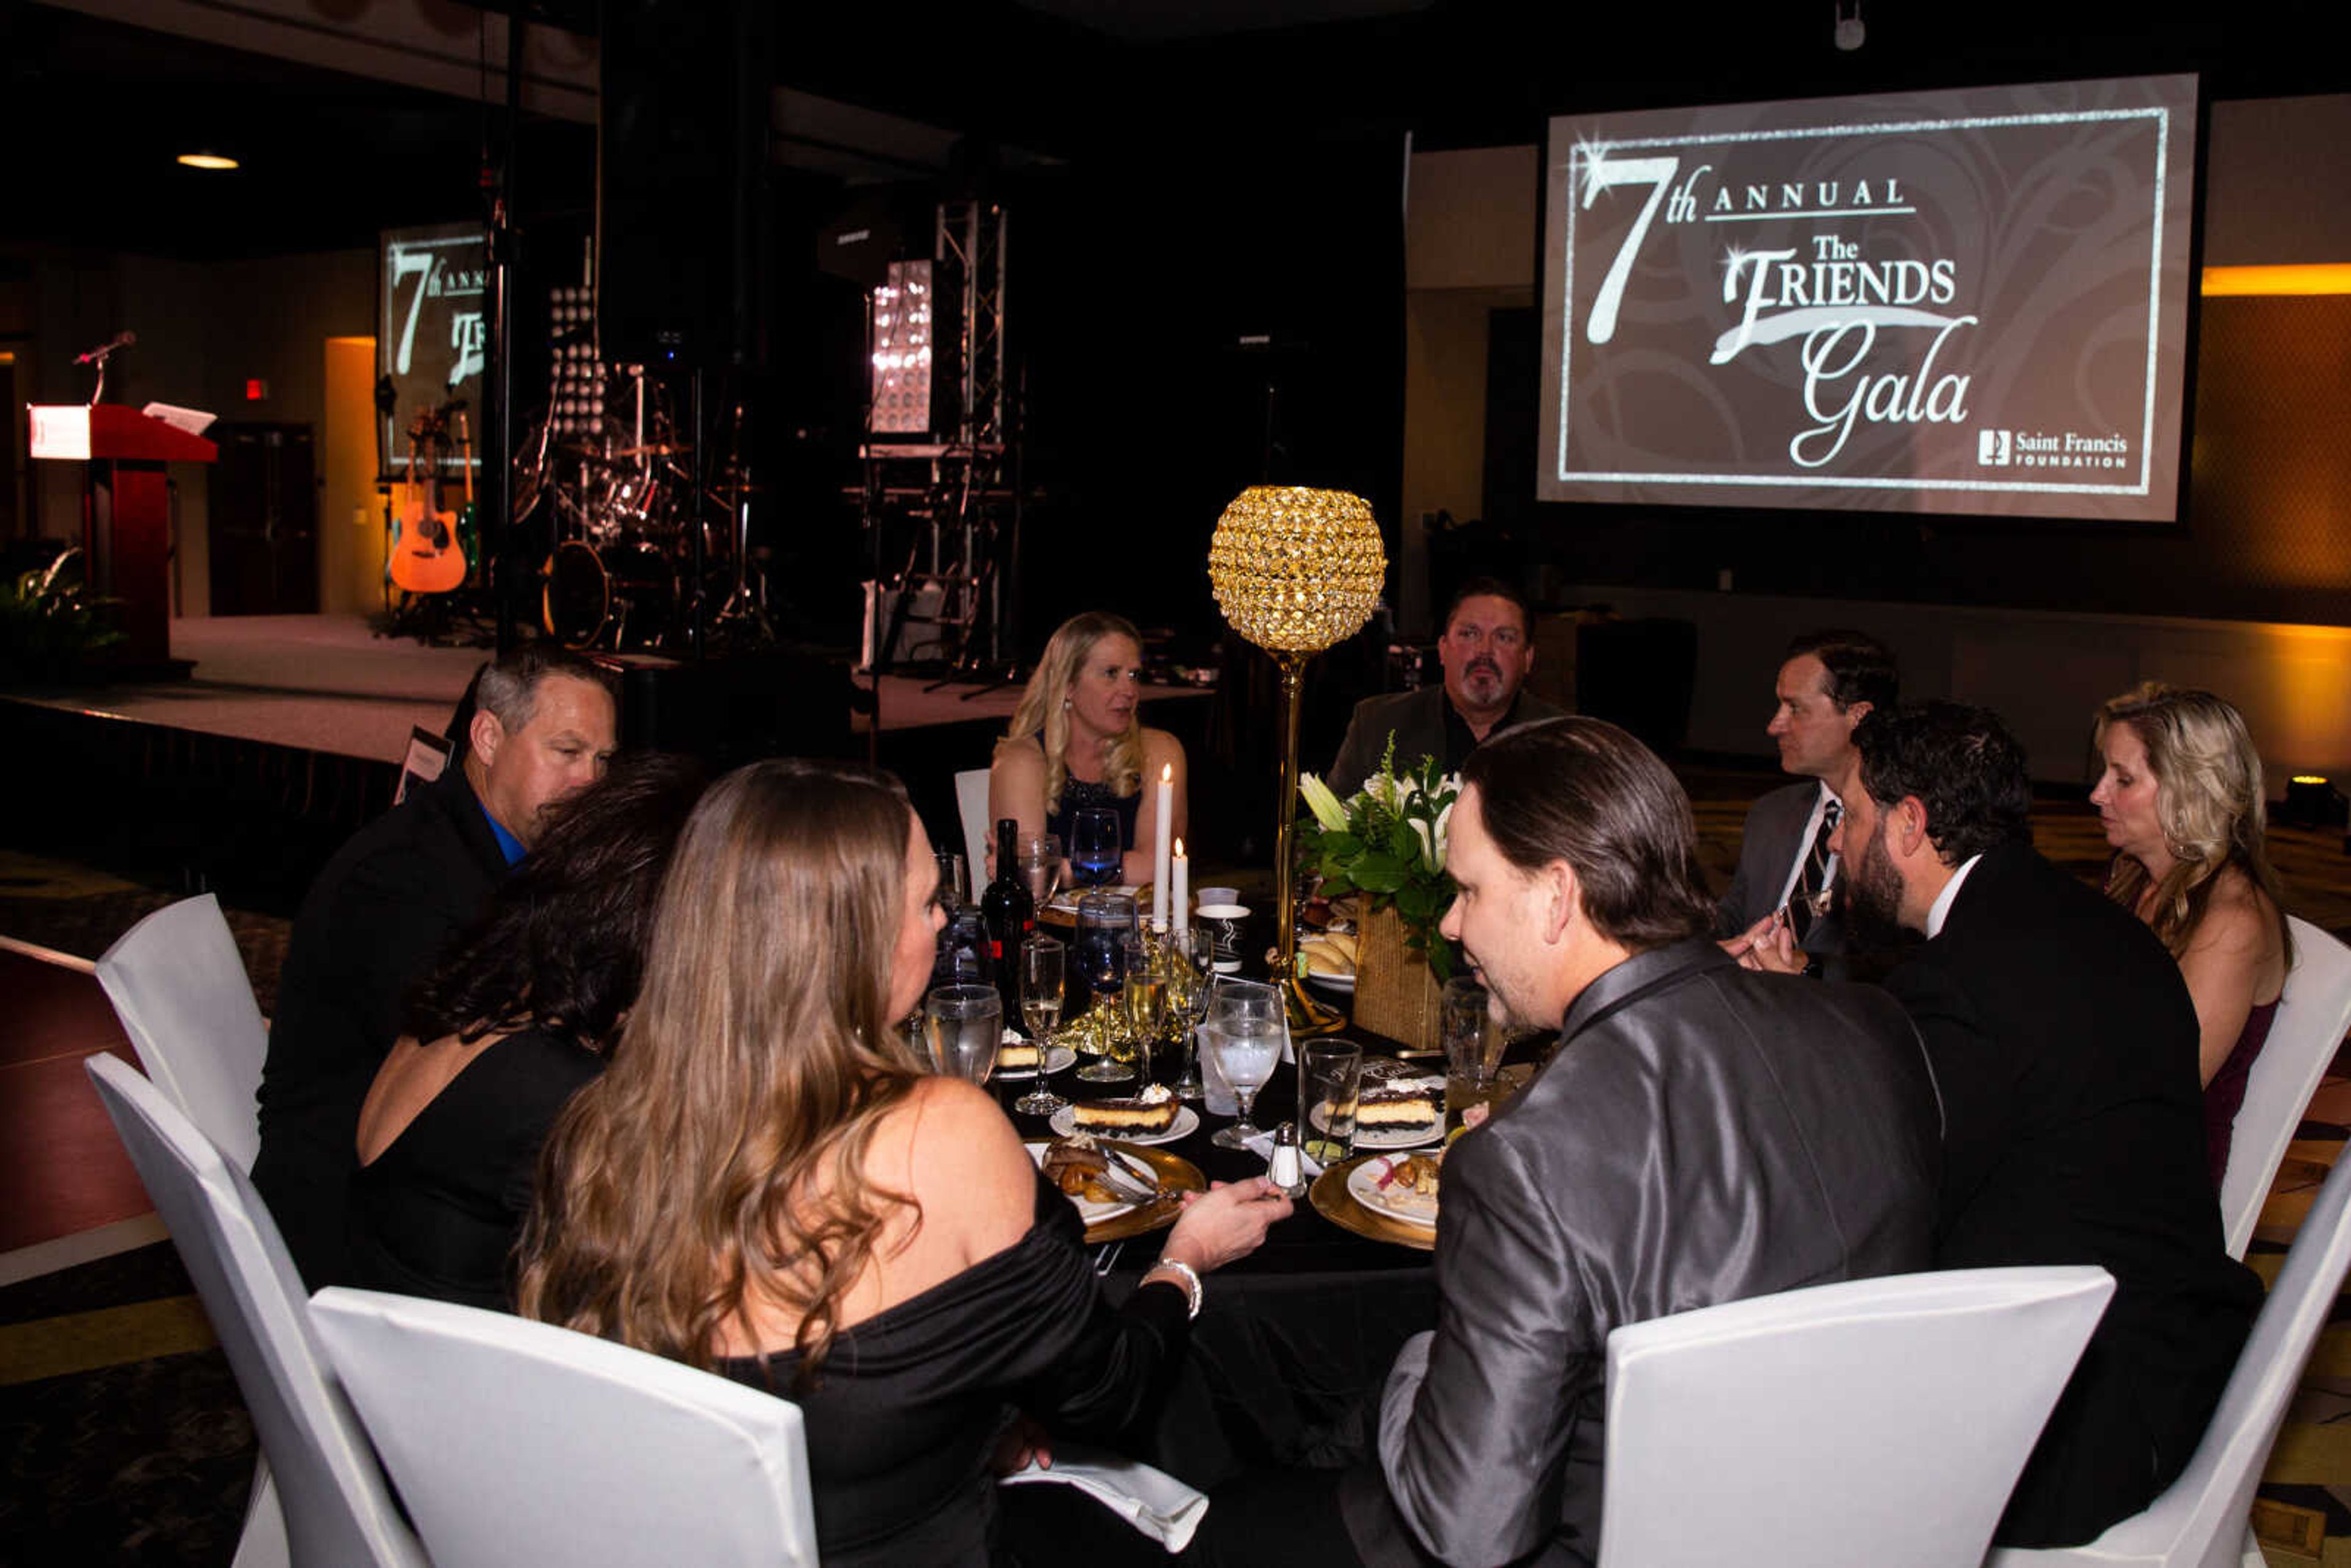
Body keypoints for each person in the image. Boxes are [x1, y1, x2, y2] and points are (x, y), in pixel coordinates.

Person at [1195, 717, 1940, 1567]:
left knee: (1220, 1518)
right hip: (1846, 1521)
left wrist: (1418, 1364)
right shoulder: (1879, 1029)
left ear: (1556, 896)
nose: (1449, 927)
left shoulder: (1528, 1153)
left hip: (1613, 1537)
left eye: (1469, 891)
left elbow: (1470, 1530)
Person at [517, 759, 1289, 1567]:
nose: (945, 926)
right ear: (849, 943)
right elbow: (1109, 1389)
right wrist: (1185, 1261)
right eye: (926, 904)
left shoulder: (601, 1134)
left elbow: (832, 1403)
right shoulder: (938, 1134)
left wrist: (968, 1424)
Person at [1834, 700, 2262, 1548]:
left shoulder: (1966, 976)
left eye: (1851, 818)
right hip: (2159, 1354)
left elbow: (1888, 1204)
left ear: (1909, 826)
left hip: (2084, 1425)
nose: (1840, 844)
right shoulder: (2081, 916)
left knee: (1786, 1431)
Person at [255, 644, 617, 1288]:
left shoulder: (506, 848)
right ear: (487, 736)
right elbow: (478, 1072)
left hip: (418, 1187)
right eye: (566, 751)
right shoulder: (400, 880)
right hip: (351, 1226)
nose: (589, 781)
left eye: (602, 759)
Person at [347, 754, 705, 1310]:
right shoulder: (560, 1096)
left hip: (394, 1355)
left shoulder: (481, 989)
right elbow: (667, 1302)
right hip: (470, 1380)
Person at [2092, 682, 2293, 1185]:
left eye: (2123, 779)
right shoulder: (2129, 878)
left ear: (2189, 788)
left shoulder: (2233, 921)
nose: (2098, 793)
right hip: (2099, 1146)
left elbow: (2157, 1093)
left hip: (2155, 1188)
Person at [1715, 629, 1897, 978]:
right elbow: (1732, 917)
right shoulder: (1771, 813)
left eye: (1795, 708)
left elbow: (1904, 965)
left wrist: (1809, 967)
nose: (1774, 726)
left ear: (1859, 715)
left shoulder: (1900, 828)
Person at [990, 611, 1186, 886]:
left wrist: (1067, 871)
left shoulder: (1160, 751)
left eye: (1133, 675)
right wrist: (1119, 869)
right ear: (1068, 685)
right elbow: (1030, 881)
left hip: (1135, 926)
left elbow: (1158, 867)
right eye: (1111, 673)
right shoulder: (1022, 760)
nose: (1129, 689)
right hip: (1050, 926)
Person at [1324, 577, 1565, 799]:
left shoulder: (1565, 742)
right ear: (1442, 649)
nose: (1485, 651)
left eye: (1504, 637)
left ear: (1528, 658)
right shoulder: (1377, 725)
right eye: (1469, 634)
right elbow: (1324, 836)